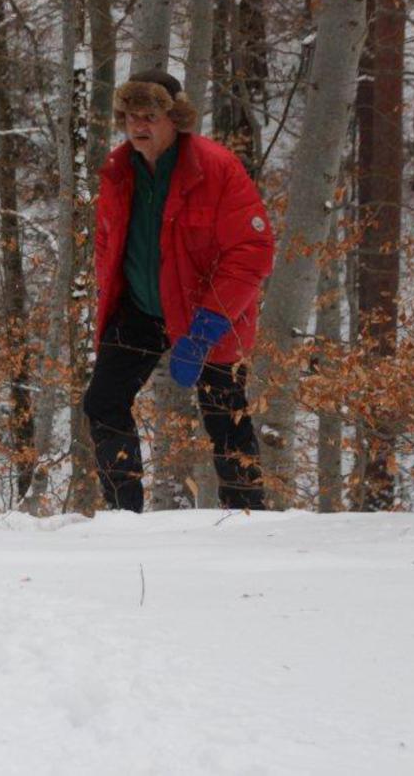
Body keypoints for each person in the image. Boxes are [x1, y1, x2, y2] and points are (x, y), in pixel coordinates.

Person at [84, 70, 275, 513]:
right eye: (130, 116)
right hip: (139, 308)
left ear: (176, 119)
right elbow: (106, 241)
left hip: (205, 313)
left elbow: (253, 251)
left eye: (149, 116)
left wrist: (207, 327)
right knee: (102, 401)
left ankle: (248, 516)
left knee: (225, 415)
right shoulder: (118, 169)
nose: (138, 126)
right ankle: (124, 516)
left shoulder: (216, 168)